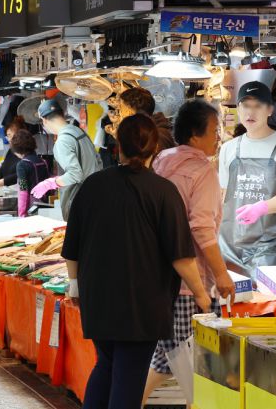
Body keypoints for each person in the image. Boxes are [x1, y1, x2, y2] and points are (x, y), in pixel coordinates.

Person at [61, 114, 210, 409]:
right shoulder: (164, 192)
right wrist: (202, 293)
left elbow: (72, 247)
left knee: (106, 364)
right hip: (142, 305)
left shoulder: (92, 186)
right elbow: (180, 256)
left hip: (98, 300)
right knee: (128, 378)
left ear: (118, 147)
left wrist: (75, 287)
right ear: (154, 149)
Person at [143, 100, 236, 402]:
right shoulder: (201, 170)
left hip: (157, 275)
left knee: (176, 356)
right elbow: (201, 229)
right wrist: (221, 275)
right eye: (214, 130)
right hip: (187, 282)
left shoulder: (162, 160)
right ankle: (131, 401)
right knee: (177, 358)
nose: (219, 136)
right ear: (196, 135)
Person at [218, 82, 276, 279]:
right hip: (229, 243)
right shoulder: (229, 148)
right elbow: (222, 194)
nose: (250, 112)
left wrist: (261, 208)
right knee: (232, 304)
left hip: (267, 244)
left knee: (264, 303)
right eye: (245, 105)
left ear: (270, 109)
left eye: (258, 105)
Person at [32, 99, 102, 220]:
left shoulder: (62, 141)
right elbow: (98, 161)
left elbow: (75, 174)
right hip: (96, 196)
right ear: (62, 114)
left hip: (79, 203)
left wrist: (51, 183)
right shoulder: (79, 132)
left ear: (44, 120)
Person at [117, 87, 176, 154]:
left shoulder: (156, 137)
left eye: (121, 109)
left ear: (130, 111)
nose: (119, 113)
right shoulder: (147, 132)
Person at [10, 130, 49, 217]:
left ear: (17, 149)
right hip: (46, 206)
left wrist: (22, 214)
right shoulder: (43, 162)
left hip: (31, 209)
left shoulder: (22, 165)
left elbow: (23, 189)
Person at [0, 116, 29, 190]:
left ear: (20, 134)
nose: (9, 139)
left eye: (10, 135)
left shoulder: (28, 155)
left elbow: (22, 177)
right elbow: (3, 170)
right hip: (10, 192)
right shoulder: (11, 151)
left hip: (20, 192)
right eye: (8, 136)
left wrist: (1, 182)